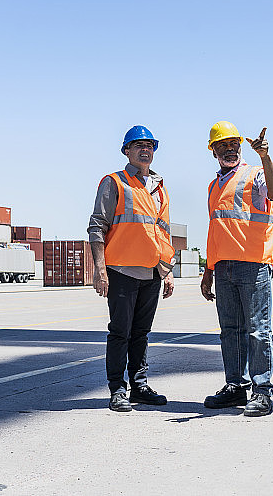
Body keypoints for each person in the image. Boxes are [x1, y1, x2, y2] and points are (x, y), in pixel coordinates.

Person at [88, 125, 175, 412]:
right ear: (127, 150)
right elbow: (97, 226)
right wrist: (100, 269)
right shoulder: (115, 182)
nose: (145, 149)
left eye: (150, 145)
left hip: (151, 272)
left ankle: (139, 385)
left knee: (141, 333)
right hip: (122, 271)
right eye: (138, 144)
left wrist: (167, 270)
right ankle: (117, 389)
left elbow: (162, 233)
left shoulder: (159, 188)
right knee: (120, 332)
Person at [200, 121, 273, 417]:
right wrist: (209, 269)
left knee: (258, 331)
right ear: (213, 151)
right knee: (230, 332)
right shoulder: (214, 185)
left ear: (239, 146)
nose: (228, 148)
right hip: (223, 268)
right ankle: (235, 386)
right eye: (221, 144)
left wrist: (265, 156)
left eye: (233, 143)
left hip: (253, 265)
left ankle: (262, 391)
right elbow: (216, 230)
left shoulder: (255, 174)